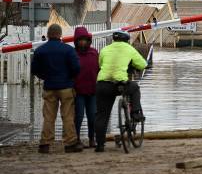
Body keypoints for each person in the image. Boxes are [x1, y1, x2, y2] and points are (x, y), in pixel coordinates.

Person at [31, 24, 82, 153]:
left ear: (48, 35)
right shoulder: (68, 50)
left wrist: (45, 76)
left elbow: (34, 70)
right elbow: (76, 68)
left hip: (49, 87)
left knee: (49, 117)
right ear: (60, 35)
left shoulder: (40, 51)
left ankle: (45, 144)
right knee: (68, 116)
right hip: (66, 87)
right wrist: (69, 77)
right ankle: (70, 144)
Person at [94, 31, 148, 152]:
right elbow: (142, 64)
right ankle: (135, 113)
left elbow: (100, 64)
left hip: (103, 84)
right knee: (134, 88)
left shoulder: (105, 49)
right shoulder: (129, 49)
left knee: (102, 115)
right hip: (120, 84)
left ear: (114, 40)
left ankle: (100, 145)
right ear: (126, 40)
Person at [74, 27, 99, 148]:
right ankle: (77, 139)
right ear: (76, 41)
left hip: (93, 91)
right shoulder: (73, 54)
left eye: (85, 40)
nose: (83, 42)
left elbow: (99, 68)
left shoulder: (94, 53)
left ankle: (91, 139)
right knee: (78, 117)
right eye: (80, 40)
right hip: (78, 92)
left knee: (93, 116)